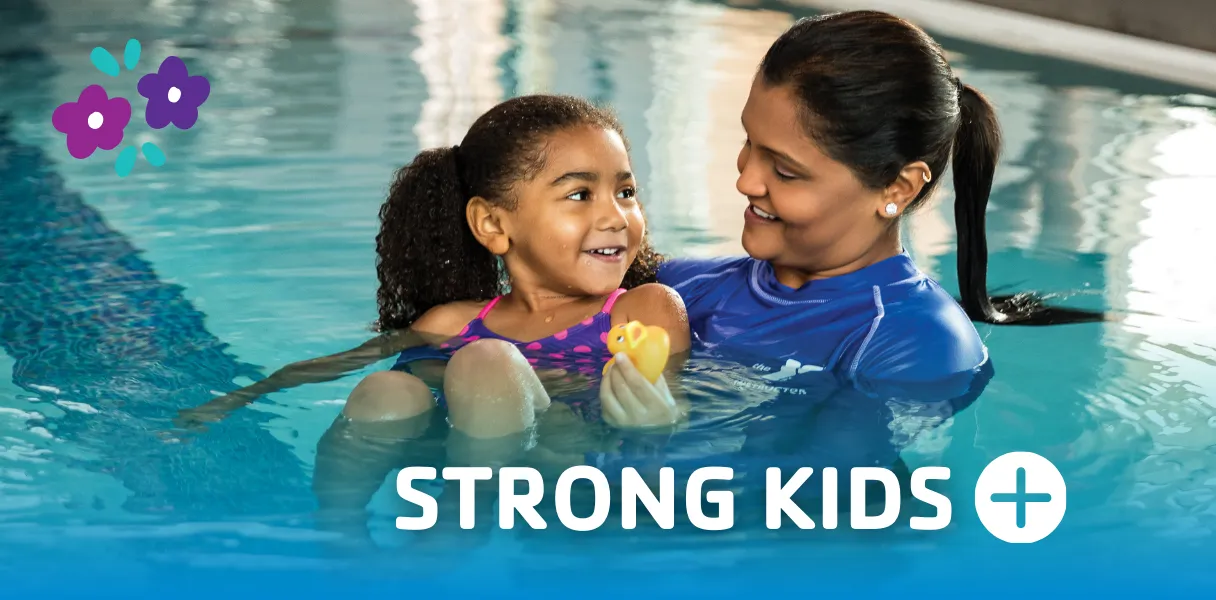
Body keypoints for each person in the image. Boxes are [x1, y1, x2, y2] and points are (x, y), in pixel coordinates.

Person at [172, 94, 692, 544]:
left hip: (561, 470)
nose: (615, 216)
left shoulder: (639, 308)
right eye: (580, 195)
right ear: (492, 224)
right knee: (385, 390)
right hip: (451, 453)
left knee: (485, 361)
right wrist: (234, 401)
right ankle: (339, 532)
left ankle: (458, 532)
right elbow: (341, 364)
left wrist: (659, 425)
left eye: (625, 192)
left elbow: (672, 404)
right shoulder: (453, 322)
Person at [658, 10, 1103, 403]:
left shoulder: (917, 344)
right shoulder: (683, 287)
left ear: (897, 188)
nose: (745, 180)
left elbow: (833, 494)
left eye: (786, 171)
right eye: (748, 143)